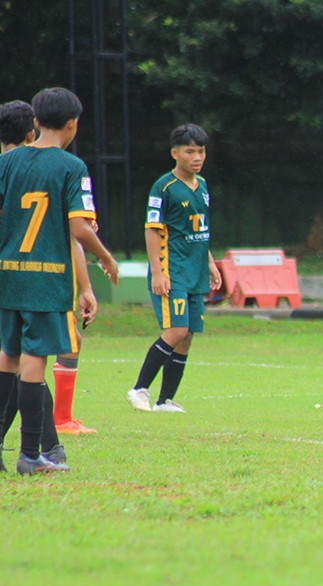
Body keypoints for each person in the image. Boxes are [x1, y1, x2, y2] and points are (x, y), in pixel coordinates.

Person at [0, 87, 118, 475]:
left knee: (7, 356)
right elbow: (79, 228)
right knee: (34, 361)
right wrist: (106, 257)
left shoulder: (9, 161)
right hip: (46, 279)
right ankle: (30, 456)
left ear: (35, 122)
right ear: (72, 124)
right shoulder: (72, 167)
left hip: (8, 276)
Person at [127, 124, 222, 413]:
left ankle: (164, 400)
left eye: (201, 151)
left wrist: (211, 263)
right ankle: (138, 389)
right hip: (173, 270)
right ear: (175, 153)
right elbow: (152, 230)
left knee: (188, 334)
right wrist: (157, 272)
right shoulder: (163, 187)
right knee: (176, 329)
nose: (197, 157)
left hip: (195, 271)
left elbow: (200, 230)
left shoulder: (202, 185)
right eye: (190, 151)